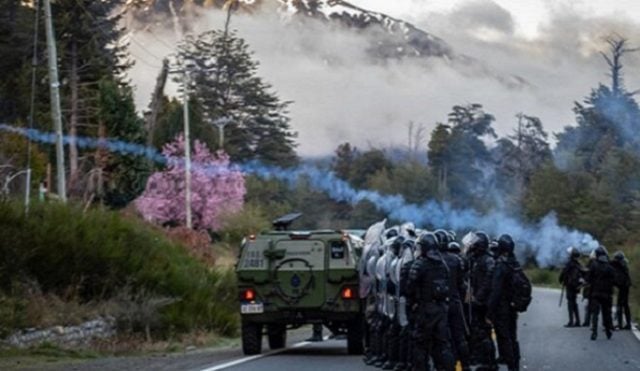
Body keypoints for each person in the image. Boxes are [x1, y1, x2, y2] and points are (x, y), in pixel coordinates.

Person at [407, 232, 456, 371]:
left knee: (420, 344)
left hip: (425, 309)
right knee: (443, 344)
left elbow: (410, 288)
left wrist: (412, 303)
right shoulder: (443, 264)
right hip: (441, 309)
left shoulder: (419, 265)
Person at [435, 230, 471, 371]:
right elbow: (462, 284)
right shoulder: (457, 260)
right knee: (459, 336)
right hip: (456, 302)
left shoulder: (433, 261)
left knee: (442, 340)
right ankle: (466, 365)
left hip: (440, 304)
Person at [488, 234, 521, 371]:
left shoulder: (501, 265)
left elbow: (495, 291)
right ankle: (515, 364)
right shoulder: (514, 263)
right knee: (512, 336)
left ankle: (511, 365)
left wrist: (489, 312)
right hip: (512, 306)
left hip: (502, 308)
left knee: (504, 337)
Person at [586, 246, 615, 340]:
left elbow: (588, 279)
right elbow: (614, 281)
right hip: (606, 294)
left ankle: (594, 333)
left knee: (595, 313)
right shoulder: (610, 267)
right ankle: (608, 332)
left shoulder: (594, 265)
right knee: (606, 313)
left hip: (595, 293)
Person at [558, 247, 584, 327]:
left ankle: (571, 322)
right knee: (574, 303)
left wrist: (561, 280)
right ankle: (578, 321)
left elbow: (563, 273)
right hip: (576, 286)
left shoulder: (569, 264)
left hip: (570, 286)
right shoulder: (578, 264)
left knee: (570, 303)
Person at [611, 251, 632, 330]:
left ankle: (620, 324)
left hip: (623, 287)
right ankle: (628, 324)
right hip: (625, 286)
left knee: (620, 305)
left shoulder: (620, 265)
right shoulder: (623, 264)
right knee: (625, 305)